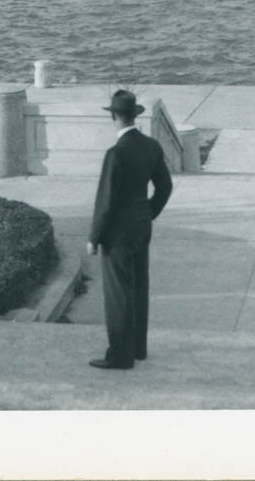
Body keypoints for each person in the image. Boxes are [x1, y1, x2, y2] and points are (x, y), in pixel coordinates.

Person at [87, 89, 173, 370]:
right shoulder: (151, 146)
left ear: (113, 116)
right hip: (141, 226)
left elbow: (105, 201)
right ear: (134, 115)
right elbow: (165, 187)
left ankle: (120, 356)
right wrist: (148, 212)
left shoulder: (116, 154)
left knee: (118, 294)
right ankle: (138, 349)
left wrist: (94, 237)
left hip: (118, 234)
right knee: (138, 287)